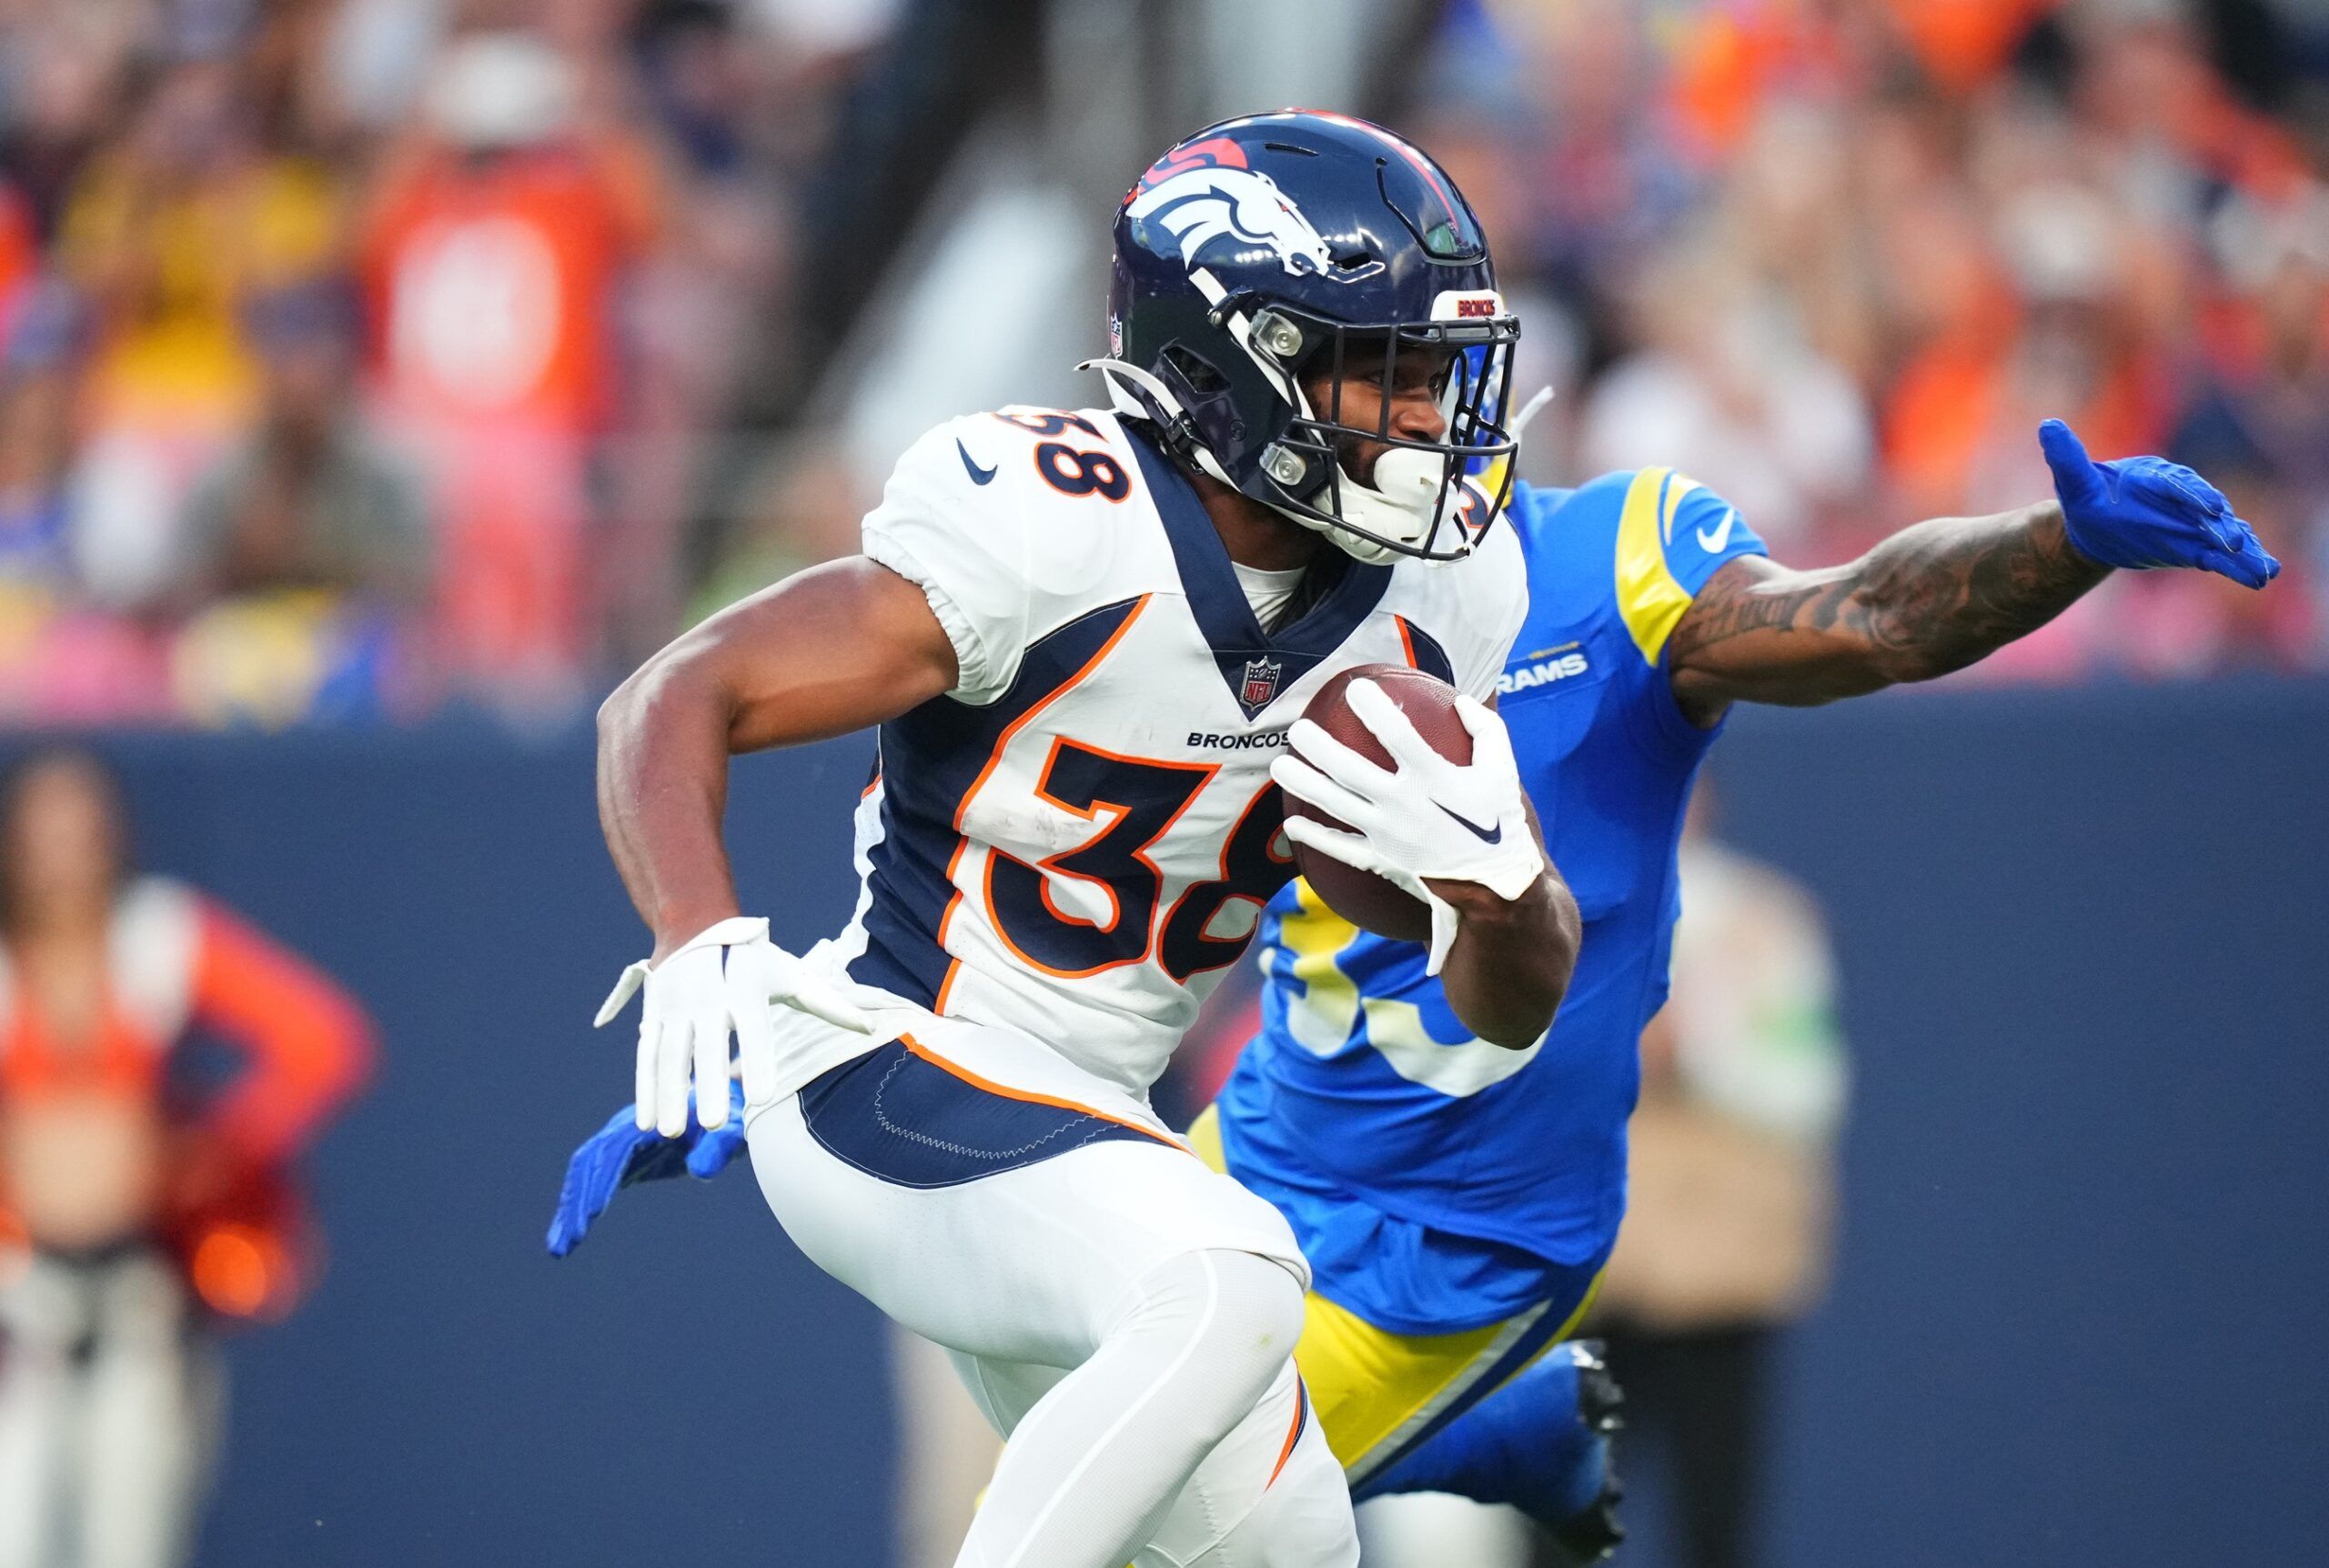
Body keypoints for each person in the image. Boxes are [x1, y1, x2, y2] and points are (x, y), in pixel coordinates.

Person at [566, 113, 1577, 1568]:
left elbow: (1510, 1009)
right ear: (1225, 359)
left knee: (1300, 1552)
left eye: (1438, 374)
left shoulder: (1448, 597)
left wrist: (1503, 894)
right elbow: (673, 695)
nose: (1427, 419)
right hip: (883, 1071)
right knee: (1233, 1279)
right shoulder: (1057, 522)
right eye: (1382, 370)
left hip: (1092, 1148)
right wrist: (694, 930)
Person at [1202, 397, 2277, 1554]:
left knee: (1181, 1499)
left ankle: (1486, 1423)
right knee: (1050, 1380)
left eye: (1415, 371)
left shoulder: (1609, 559)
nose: (1402, 412)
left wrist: (2059, 544)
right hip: (1270, 1134)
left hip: (1465, 1237)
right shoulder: (1244, 590)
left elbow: (1870, 611)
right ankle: (1500, 1428)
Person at [0, 750, 373, 1568]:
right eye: (44, 837)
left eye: (84, 834)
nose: (65, 858)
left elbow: (324, 1040)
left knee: (132, 1546)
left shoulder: (156, 939)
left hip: (143, 1299)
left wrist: (222, 1145)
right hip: (17, 1312)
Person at [1585, 782, 1849, 1568]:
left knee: (1716, 1516)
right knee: (1563, 1513)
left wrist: (1697, 1046)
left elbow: (1810, 1083)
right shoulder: (1565, 910)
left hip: (1719, 1269)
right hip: (1590, 1266)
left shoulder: (1763, 920)